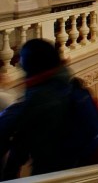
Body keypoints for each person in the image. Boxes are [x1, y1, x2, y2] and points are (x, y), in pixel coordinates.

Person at [2, 39, 92, 175]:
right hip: (73, 165)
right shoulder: (65, 83)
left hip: (52, 171)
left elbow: (20, 136)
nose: (19, 64)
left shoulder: (39, 98)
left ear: (32, 64)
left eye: (23, 60)